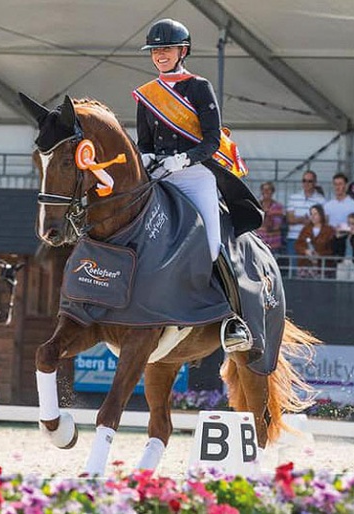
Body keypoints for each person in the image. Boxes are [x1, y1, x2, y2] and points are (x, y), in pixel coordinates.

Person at [134, 19, 252, 353]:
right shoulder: (146, 95)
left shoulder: (199, 87)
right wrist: (145, 159)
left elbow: (212, 140)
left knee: (213, 243)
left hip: (196, 174)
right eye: (156, 50)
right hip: (158, 176)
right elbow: (144, 141)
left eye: (166, 49)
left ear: (182, 51)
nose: (160, 56)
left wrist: (182, 160)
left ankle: (232, 319)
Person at [285, 170, 326, 276]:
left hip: (312, 240)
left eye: (310, 181)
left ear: (315, 183)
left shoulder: (321, 200)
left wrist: (297, 219)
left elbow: (321, 221)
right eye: (304, 181)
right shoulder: (293, 197)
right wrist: (305, 220)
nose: (306, 183)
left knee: (311, 272)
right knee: (293, 270)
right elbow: (289, 219)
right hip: (293, 238)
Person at [323, 172, 354, 256]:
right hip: (331, 242)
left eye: (340, 184)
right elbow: (325, 224)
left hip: (347, 243)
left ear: (346, 186)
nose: (337, 187)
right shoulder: (327, 205)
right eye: (335, 184)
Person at [294, 204, 335, 279]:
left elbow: (332, 249)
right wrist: (305, 251)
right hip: (305, 265)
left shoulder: (329, 230)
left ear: (321, 215)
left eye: (315, 214)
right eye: (311, 214)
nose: (313, 216)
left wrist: (319, 255)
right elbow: (298, 245)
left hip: (322, 267)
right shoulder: (305, 229)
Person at [256, 181, 285, 256]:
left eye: (269, 189)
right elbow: (254, 225)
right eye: (264, 189)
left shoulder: (278, 207)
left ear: (272, 192)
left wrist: (266, 215)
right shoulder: (256, 205)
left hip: (273, 244)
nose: (266, 191)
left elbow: (275, 226)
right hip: (258, 243)